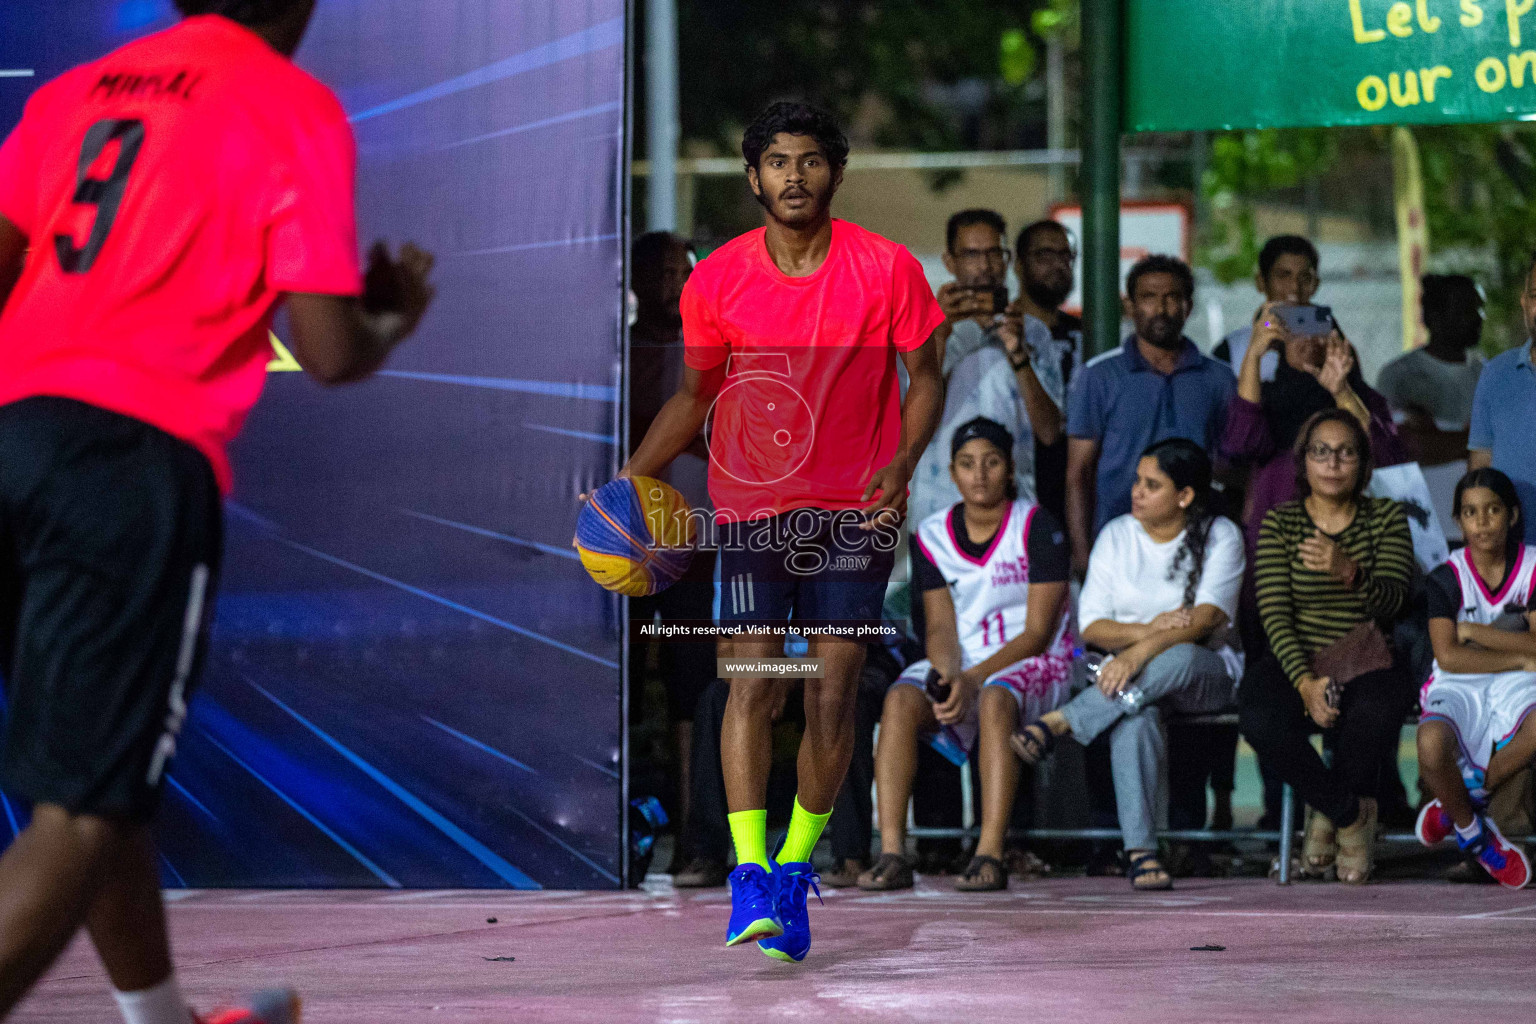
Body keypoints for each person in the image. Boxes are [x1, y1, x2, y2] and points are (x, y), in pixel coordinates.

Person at [0, 2, 435, 1022]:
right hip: (130, 464)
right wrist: (390, 316)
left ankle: (158, 1018)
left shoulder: (78, 91)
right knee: (81, 810)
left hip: (12, 427)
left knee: (103, 777)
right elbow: (327, 350)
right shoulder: (293, 106)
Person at [616, 101, 944, 962]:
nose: (793, 175)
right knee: (753, 683)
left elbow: (927, 378)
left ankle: (797, 868)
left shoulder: (888, 269)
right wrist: (634, 476)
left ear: (836, 172)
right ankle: (749, 873)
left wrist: (902, 463)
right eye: (776, 162)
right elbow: (691, 399)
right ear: (752, 176)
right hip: (754, 511)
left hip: (852, 515)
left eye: (809, 161)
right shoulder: (716, 279)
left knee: (830, 692)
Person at [1012, 439, 1243, 890]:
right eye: (1137, 480)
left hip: (1204, 674)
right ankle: (1141, 854)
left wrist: (1138, 651)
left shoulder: (1221, 535)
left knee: (1178, 655)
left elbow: (1206, 621)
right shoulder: (1117, 535)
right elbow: (1093, 627)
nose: (1136, 491)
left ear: (1185, 496)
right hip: (1131, 686)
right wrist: (1153, 631)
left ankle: (1063, 722)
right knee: (1134, 718)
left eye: (1152, 485)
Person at [860, 418, 1072, 893]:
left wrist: (973, 680)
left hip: (1034, 659)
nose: (980, 474)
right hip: (966, 660)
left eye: (992, 462)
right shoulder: (932, 535)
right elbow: (938, 626)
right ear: (952, 473)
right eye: (967, 464)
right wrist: (947, 674)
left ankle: (989, 853)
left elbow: (1038, 632)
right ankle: (894, 851)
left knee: (996, 700)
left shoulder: (1037, 525)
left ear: (1010, 469)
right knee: (900, 700)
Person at [1238, 410, 1415, 885]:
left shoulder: (1385, 517)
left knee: (1377, 708)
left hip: (1365, 654)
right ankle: (1349, 814)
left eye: (1346, 452)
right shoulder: (1282, 523)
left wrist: (1348, 570)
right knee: (1258, 712)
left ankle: (1325, 817)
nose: (1333, 462)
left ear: (1362, 463)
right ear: (1304, 462)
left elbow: (1395, 599)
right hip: (1297, 657)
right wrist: (1304, 683)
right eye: (1321, 451)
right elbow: (1273, 612)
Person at [626, 231, 718, 878]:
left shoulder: (712, 355)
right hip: (622, 542)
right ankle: (617, 832)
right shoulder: (611, 352)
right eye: (658, 270)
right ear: (630, 278)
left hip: (697, 540)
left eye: (680, 270)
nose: (671, 281)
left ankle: (695, 837)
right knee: (620, 688)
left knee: (693, 687)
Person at [1066, 254, 1235, 578]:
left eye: (1172, 297)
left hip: (1199, 545)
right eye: (1149, 297)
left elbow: (1236, 466)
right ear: (1130, 306)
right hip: (1116, 547)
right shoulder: (1099, 376)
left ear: (1188, 306)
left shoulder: (1219, 378)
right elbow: (1078, 473)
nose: (1161, 308)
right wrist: (1082, 553)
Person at [1415, 468, 1536, 889]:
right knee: (1429, 743)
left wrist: (1473, 633)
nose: (1482, 521)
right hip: (1460, 684)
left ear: (1513, 515)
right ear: (1459, 521)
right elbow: (1448, 656)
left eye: (1493, 510)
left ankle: (1464, 796)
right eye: (1470, 512)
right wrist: (1519, 657)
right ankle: (1474, 835)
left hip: (1511, 684)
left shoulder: (1533, 566)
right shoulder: (1446, 577)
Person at [907, 211, 1063, 530]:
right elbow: (913, 427)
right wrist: (939, 332)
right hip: (940, 507)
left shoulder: (1034, 333)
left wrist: (1018, 353)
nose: (985, 266)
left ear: (1007, 260)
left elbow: (1050, 432)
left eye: (995, 253)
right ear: (950, 262)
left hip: (1014, 509)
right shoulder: (918, 330)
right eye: (972, 254)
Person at [1378, 275, 1485, 536]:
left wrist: (1439, 437)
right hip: (1422, 524)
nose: (1478, 318)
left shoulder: (1488, 374)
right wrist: (1480, 442)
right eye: (1466, 310)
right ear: (1434, 317)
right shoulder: (1400, 377)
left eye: (1480, 308)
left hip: (1479, 525)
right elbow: (1407, 447)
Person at [1010, 219, 1084, 526]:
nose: (1057, 265)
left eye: (1065, 256)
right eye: (1044, 256)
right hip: (1014, 486)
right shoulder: (999, 331)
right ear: (1018, 264)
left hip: (1074, 489)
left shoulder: (1087, 334)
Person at [1468, 254, 1536, 543]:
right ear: (1524, 303)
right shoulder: (1496, 374)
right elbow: (1481, 469)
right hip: (1511, 558)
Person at [1212, 235, 1321, 382]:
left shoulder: (1329, 344)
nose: (1295, 287)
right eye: (1283, 276)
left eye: (1305, 278)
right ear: (1261, 282)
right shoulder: (1232, 350)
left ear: (1315, 285)